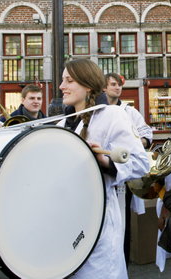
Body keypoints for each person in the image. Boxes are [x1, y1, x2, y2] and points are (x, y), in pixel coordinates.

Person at [57, 59, 149, 279]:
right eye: (62, 80)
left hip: (98, 228)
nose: (61, 86)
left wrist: (105, 162)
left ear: (88, 85)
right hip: (67, 225)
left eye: (69, 80)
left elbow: (140, 163)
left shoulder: (112, 115)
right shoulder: (63, 124)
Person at [103, 72, 153, 266]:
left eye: (119, 85)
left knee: (123, 225)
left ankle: (122, 264)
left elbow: (146, 133)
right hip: (104, 173)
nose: (117, 88)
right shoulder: (98, 111)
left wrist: (133, 145)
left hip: (124, 175)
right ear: (103, 88)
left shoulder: (129, 111)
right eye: (113, 84)